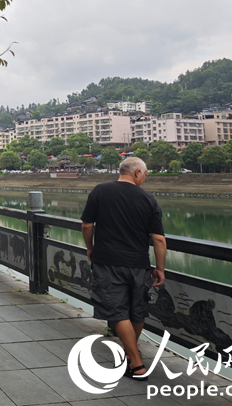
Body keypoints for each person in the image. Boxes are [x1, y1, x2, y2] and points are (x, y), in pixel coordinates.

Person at [81, 156, 166, 378]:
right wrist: (160, 268)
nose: (144, 179)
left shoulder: (100, 191)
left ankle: (134, 360)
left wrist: (90, 248)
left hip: (107, 261)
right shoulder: (148, 199)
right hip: (139, 264)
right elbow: (158, 239)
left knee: (117, 310)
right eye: (145, 175)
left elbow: (87, 225)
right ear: (138, 173)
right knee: (137, 311)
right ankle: (133, 358)